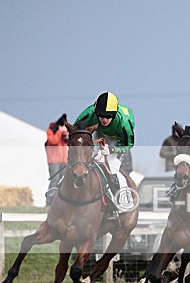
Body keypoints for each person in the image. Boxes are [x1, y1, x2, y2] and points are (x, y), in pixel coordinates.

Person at [73, 92, 135, 221]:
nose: (104, 120)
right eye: (101, 116)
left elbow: (128, 144)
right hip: (97, 133)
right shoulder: (89, 113)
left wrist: (112, 149)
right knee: (81, 161)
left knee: (112, 168)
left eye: (108, 116)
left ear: (114, 114)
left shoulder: (125, 122)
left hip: (118, 140)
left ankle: (118, 204)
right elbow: (76, 131)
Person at [44, 113, 68, 205]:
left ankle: (62, 202)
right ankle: (49, 202)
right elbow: (53, 141)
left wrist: (65, 134)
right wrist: (59, 131)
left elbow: (68, 140)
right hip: (54, 161)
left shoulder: (63, 132)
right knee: (55, 180)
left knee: (63, 180)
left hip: (64, 160)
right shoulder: (51, 131)